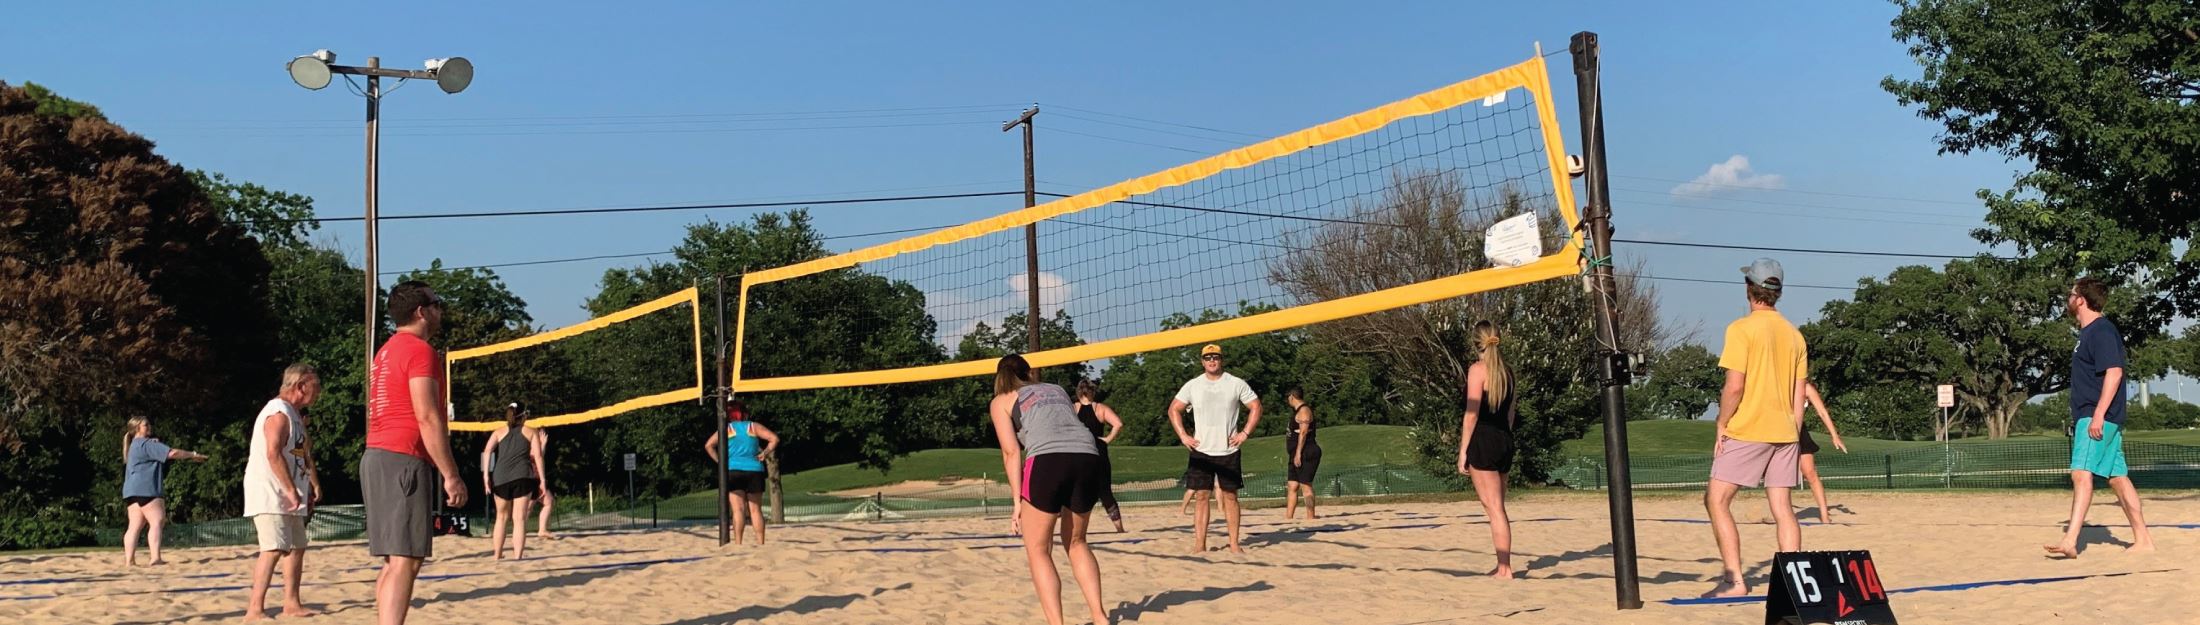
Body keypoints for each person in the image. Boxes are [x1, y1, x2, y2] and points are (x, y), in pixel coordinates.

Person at [1701, 258, 1810, 599]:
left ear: (1749, 289)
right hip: (1785, 432)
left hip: (1749, 429)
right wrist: (1792, 431)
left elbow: (1734, 386)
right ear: (1778, 292)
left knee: (1716, 500)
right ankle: (1793, 586)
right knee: (1783, 508)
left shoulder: (1741, 329)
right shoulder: (1795, 335)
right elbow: (1799, 392)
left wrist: (1722, 422)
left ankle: (1735, 580)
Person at [364, 280, 468, 625]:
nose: (441, 310)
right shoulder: (419, 351)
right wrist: (451, 475)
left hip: (378, 454)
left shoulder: (385, 351)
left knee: (397, 560)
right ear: (422, 311)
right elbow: (426, 415)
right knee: (405, 559)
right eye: (437, 303)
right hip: (403, 457)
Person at [989, 355, 1108, 625]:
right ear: (1029, 374)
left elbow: (1011, 453)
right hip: (1088, 457)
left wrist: (1018, 503)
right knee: (1077, 543)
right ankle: (1100, 617)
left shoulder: (1000, 401)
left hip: (1047, 460)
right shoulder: (1056, 389)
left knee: (1038, 549)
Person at [2045, 277, 2156, 558]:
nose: (2068, 298)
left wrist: (2097, 415)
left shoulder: (2101, 331)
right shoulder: (2088, 333)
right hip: (2099, 415)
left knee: (2081, 474)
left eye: (2071, 294)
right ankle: (2143, 540)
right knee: (2118, 477)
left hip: (2096, 415)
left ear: (2081, 299)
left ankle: (2070, 540)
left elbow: (2115, 372)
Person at [243, 364, 322, 620]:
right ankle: (255, 609)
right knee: (273, 548)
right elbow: (272, 452)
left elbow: (301, 454)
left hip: (290, 492)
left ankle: (291, 603)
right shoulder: (277, 412)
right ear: (301, 386)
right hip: (270, 492)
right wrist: (290, 489)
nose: (318, 391)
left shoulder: (294, 415)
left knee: (297, 547)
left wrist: (311, 484)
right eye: (315, 386)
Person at [1168, 344, 1260, 554]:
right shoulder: (1193, 385)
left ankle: (1234, 544)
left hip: (1228, 450)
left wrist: (1244, 433)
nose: (1212, 361)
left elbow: (1256, 406)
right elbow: (1174, 409)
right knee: (1201, 496)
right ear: (1202, 361)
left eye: (1215, 357)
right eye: (1207, 357)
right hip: (1201, 451)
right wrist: (1183, 436)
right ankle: (1200, 544)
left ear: (1221, 359)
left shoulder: (1235, 383)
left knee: (1230, 496)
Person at [1455, 321, 1519, 579]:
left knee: (1494, 508)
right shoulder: (1508, 371)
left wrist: (1463, 451)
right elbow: (1512, 411)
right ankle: (1503, 565)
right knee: (1496, 506)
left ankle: (1504, 568)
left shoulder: (1478, 370)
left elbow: (1471, 415)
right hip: (1504, 438)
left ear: (1476, 343)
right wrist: (1506, 436)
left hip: (1484, 439)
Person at [120, 416, 208, 567]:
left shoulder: (133, 445)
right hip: (147, 488)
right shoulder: (146, 444)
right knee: (157, 521)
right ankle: (155, 558)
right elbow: (172, 453)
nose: (149, 426)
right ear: (137, 429)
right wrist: (193, 455)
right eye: (145, 425)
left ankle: (130, 561)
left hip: (130, 490)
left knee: (134, 526)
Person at [703, 400, 780, 545]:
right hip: (754, 470)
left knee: (738, 510)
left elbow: (708, 445)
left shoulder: (726, 428)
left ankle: (738, 543)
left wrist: (721, 462)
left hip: (733, 470)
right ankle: (760, 542)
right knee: (755, 510)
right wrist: (765, 453)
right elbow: (774, 439)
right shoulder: (753, 426)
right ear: (744, 413)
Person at [481, 403, 547, 560]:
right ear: (524, 415)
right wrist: (542, 480)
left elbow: (488, 450)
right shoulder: (531, 432)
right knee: (519, 519)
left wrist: (486, 476)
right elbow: (538, 457)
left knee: (501, 517)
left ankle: (497, 555)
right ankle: (518, 557)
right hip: (522, 476)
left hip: (500, 477)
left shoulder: (499, 432)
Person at [1073, 380, 1125, 532]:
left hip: (1079, 451)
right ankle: (1119, 528)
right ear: (1092, 392)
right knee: (1105, 491)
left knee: (1076, 490)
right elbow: (1118, 424)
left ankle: (1076, 528)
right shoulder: (1100, 408)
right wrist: (1108, 439)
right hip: (1097, 451)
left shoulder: (1073, 408)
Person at [1796, 382, 1848, 524]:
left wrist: (1834, 435)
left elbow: (1822, 412)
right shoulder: (1778, 382)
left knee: (1810, 473)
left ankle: (1824, 516)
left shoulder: (1806, 388)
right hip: (1778, 432)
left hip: (1799, 433)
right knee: (1779, 476)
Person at [1283, 388, 1321, 522]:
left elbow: (1303, 433)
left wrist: (1298, 453)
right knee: (1292, 485)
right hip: (1294, 453)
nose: (1287, 400)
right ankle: (1288, 517)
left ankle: (1311, 516)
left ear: (1292, 397)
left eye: (1288, 397)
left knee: (1306, 485)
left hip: (1306, 451)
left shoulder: (1304, 411)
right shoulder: (1296, 412)